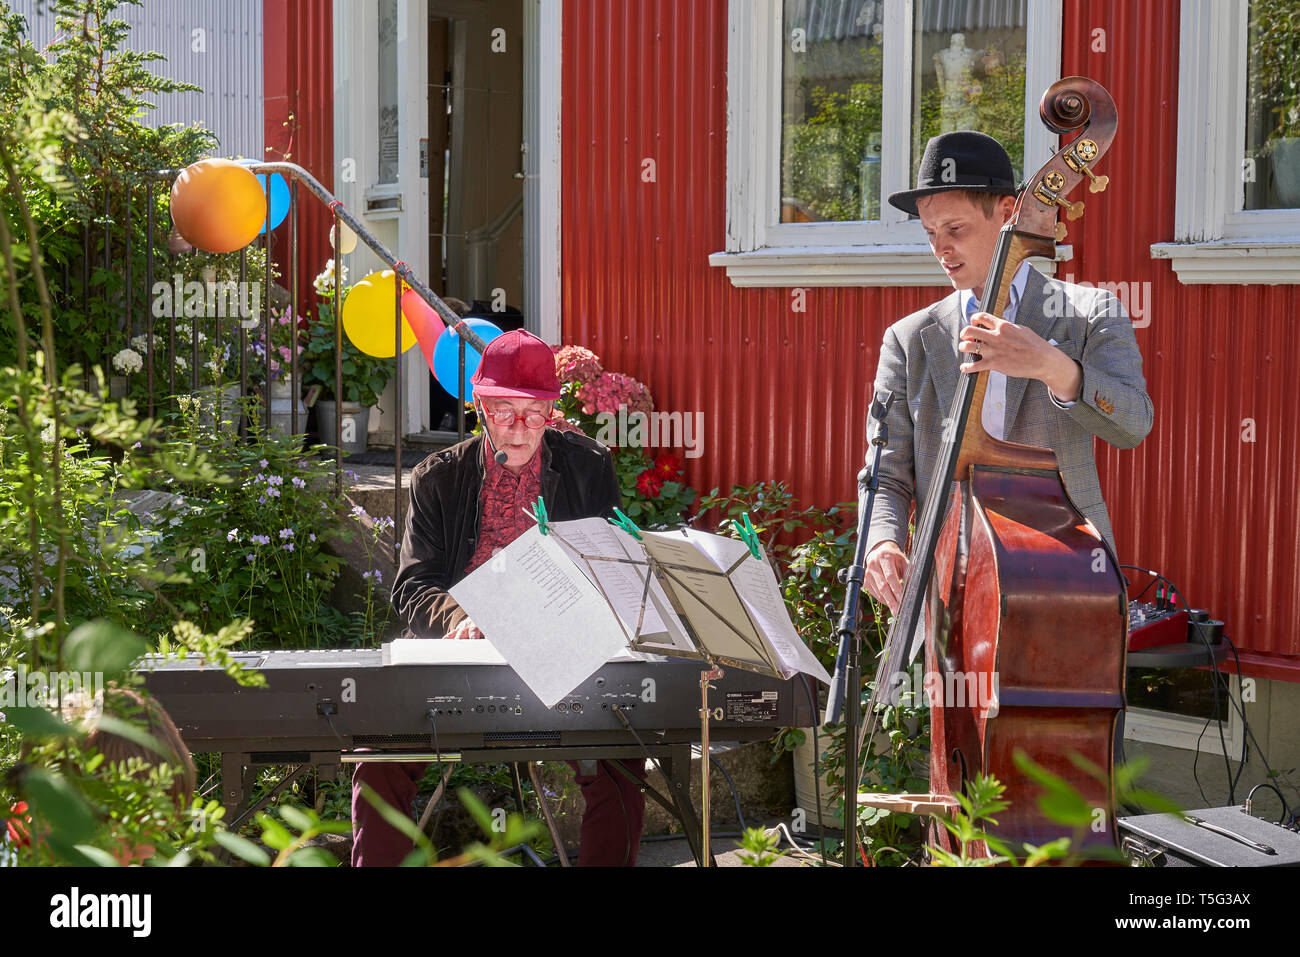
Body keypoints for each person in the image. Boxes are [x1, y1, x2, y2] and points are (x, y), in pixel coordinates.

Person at [351, 328, 648, 867]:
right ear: (481, 407)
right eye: (503, 411)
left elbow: (607, 569)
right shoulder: (438, 478)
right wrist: (462, 616)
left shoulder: (588, 467)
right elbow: (412, 585)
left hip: (561, 650)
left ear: (551, 412)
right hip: (465, 650)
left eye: (532, 413)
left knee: (623, 758)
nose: (517, 428)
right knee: (380, 759)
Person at [863, 130, 1154, 613]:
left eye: (955, 230)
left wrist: (1054, 368)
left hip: (1065, 577)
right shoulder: (910, 337)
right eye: (931, 234)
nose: (942, 249)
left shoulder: (1088, 312)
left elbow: (1133, 423)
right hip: (948, 587)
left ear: (1005, 213)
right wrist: (881, 541)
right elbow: (885, 472)